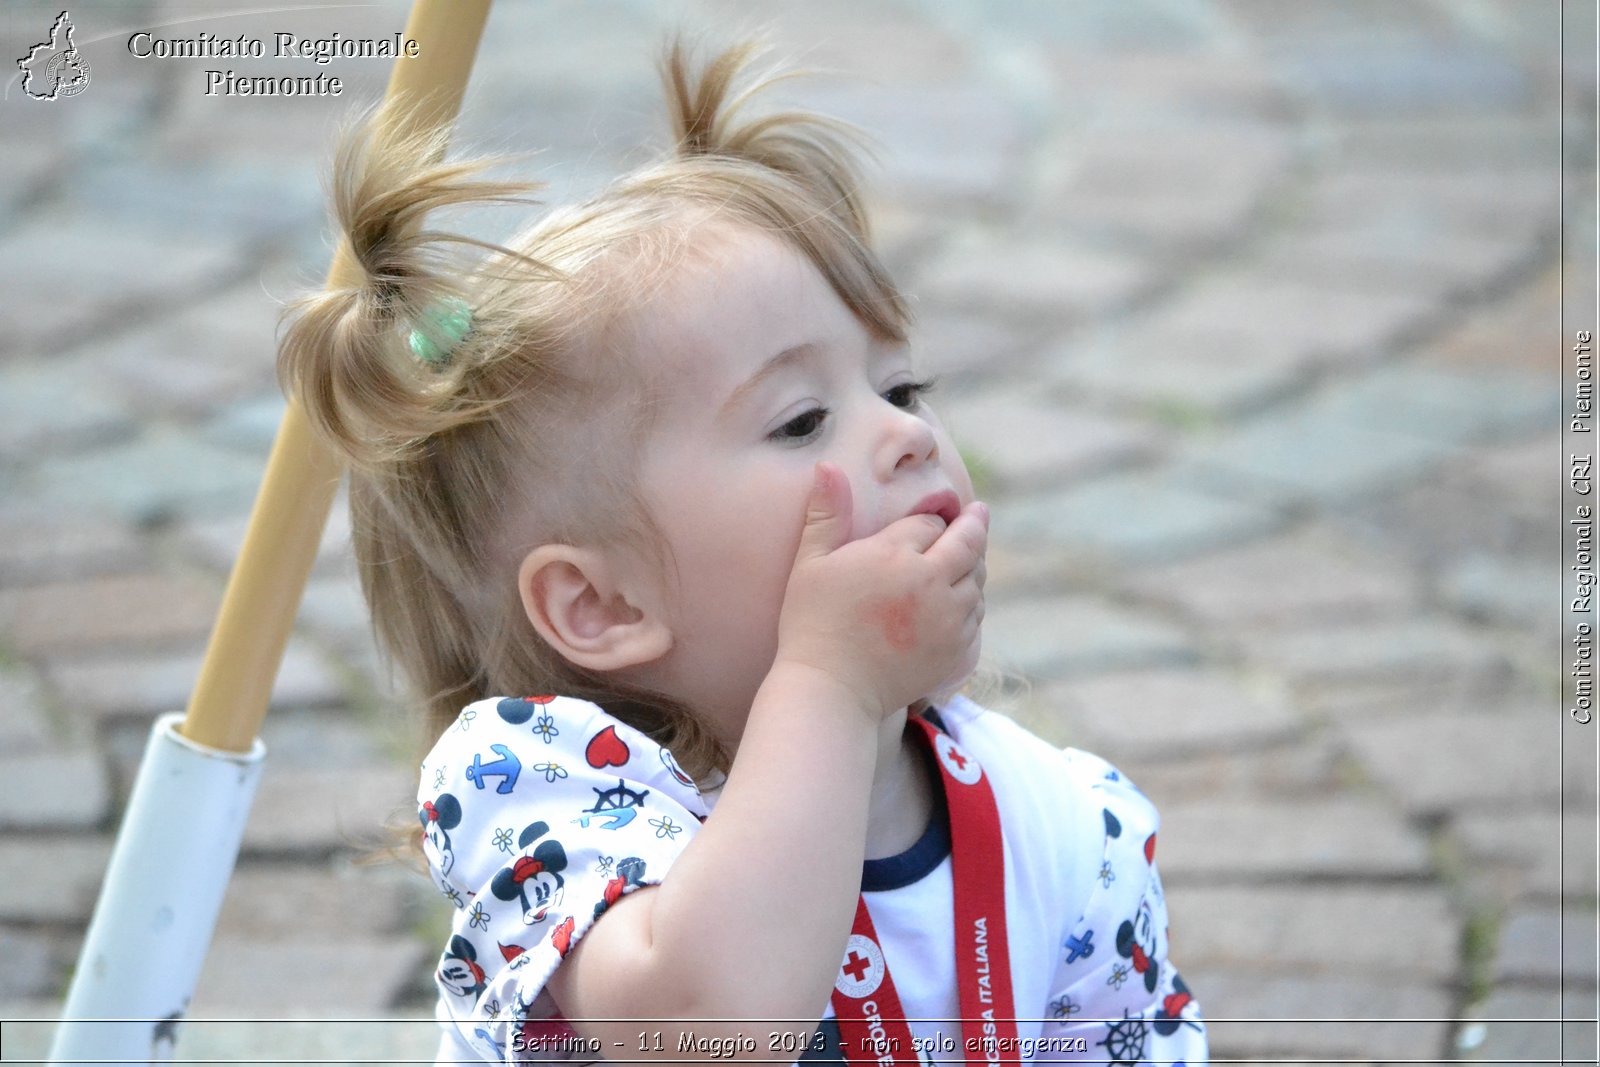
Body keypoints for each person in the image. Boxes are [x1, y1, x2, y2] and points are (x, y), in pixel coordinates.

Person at [278, 34, 1208, 1067]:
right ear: (602, 604)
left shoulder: (1058, 824)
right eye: (801, 420)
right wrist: (827, 686)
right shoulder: (538, 798)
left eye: (899, 389)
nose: (906, 435)